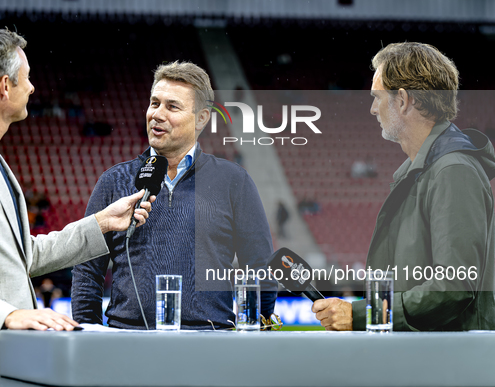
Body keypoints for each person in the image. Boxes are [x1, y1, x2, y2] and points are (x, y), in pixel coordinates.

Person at [0, 27, 154, 380]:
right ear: (4, 86)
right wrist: (6, 316)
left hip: (8, 358)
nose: (32, 88)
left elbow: (22, 256)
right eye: (27, 78)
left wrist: (100, 223)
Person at [71, 61, 277, 329]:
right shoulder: (114, 180)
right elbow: (87, 270)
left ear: (202, 118)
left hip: (209, 343)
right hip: (126, 343)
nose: (157, 114)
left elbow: (260, 269)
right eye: (154, 103)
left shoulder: (234, 181)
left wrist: (253, 333)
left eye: (172, 106)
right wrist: (89, 335)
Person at [312, 42, 495, 331]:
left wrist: (362, 315)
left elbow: (454, 286)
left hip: (448, 366)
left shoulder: (453, 170)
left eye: (377, 97)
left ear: (403, 99)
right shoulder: (423, 171)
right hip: (427, 359)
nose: (373, 109)